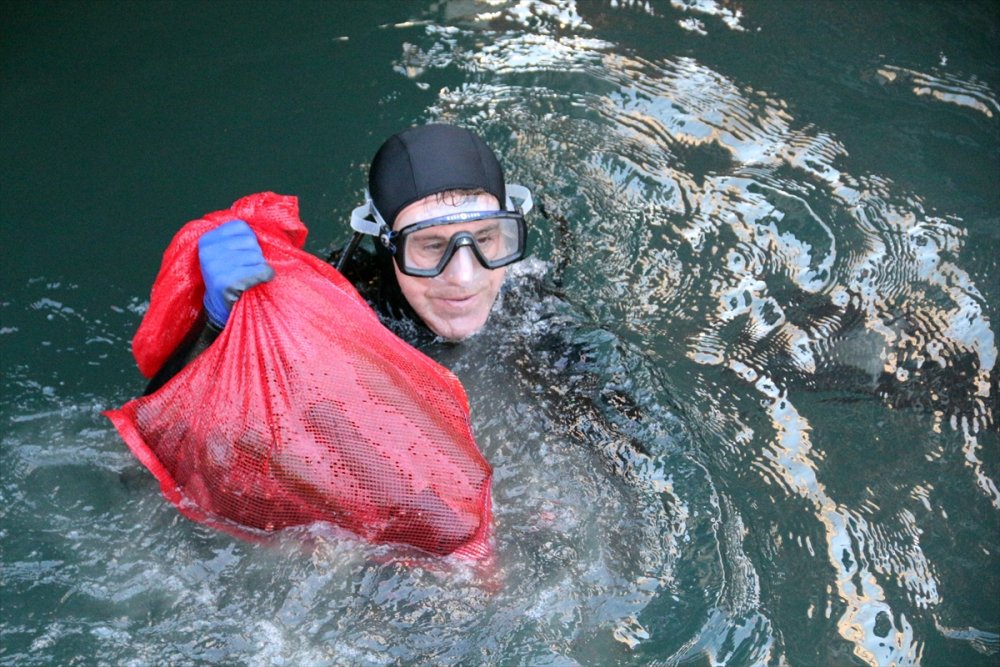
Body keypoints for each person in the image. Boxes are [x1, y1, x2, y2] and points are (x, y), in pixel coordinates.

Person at [146, 123, 533, 392]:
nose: (465, 276)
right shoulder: (332, 320)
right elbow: (143, 469)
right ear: (386, 246)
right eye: (432, 246)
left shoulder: (534, 314)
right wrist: (215, 333)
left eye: (485, 238)